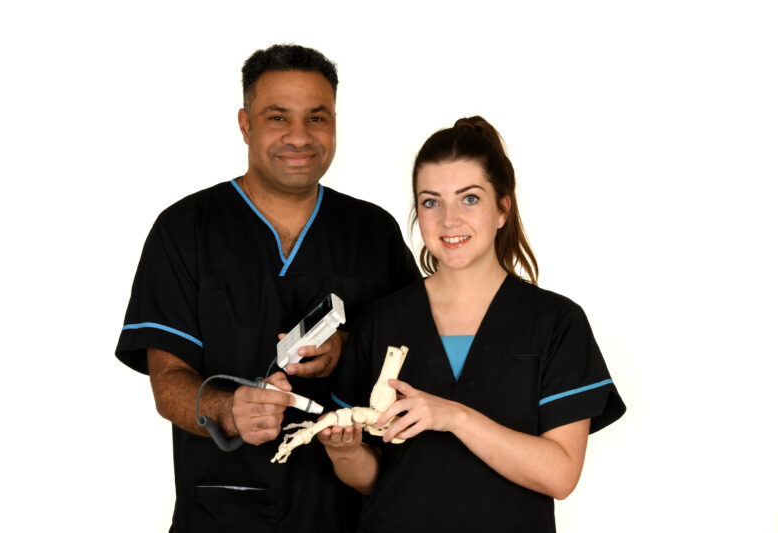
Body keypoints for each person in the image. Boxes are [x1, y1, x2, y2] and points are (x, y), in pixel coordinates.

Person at [115, 44, 420, 532]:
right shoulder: (186, 230)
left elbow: (418, 351)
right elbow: (167, 380)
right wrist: (227, 409)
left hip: (349, 509)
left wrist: (348, 347)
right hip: (223, 508)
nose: (299, 137)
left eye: (317, 118)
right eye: (278, 117)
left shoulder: (374, 233)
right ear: (244, 123)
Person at [322, 116, 626, 532]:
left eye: (469, 199)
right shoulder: (382, 321)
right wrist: (345, 453)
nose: (449, 220)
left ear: (503, 208)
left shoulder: (555, 323)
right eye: (431, 202)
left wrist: (454, 417)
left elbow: (560, 475)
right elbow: (377, 478)